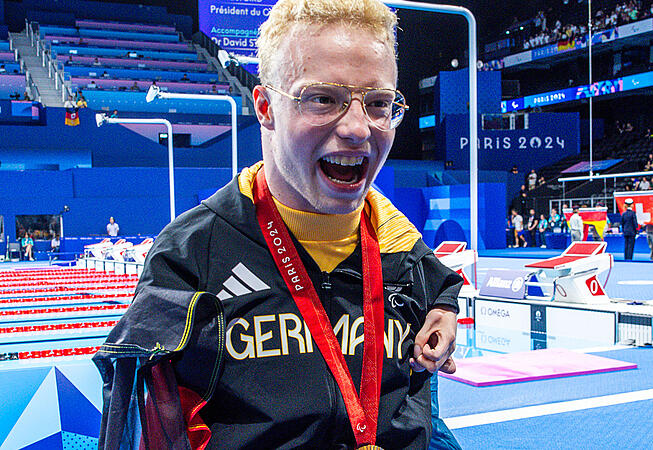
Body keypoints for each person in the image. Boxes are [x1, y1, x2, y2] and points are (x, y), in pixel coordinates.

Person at [93, 1, 462, 448]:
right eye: (323, 99)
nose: (358, 128)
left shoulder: (405, 253)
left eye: (378, 103)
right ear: (265, 107)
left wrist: (447, 305)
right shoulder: (191, 257)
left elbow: (422, 410)